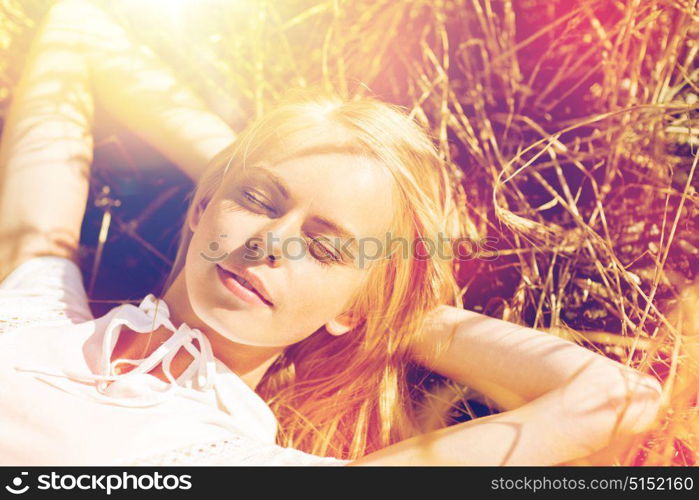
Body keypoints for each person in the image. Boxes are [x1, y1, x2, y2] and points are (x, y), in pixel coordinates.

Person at [0, 0, 665, 465]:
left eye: (322, 247)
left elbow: (615, 397)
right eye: (257, 200)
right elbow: (76, 30)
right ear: (201, 207)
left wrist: (391, 306)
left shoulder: (241, 462)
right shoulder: (32, 304)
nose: (271, 243)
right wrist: (261, 174)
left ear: (352, 307)